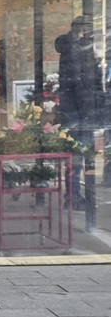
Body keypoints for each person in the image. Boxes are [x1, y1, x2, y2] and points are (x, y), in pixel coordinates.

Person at [56, 16, 102, 210]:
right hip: (78, 110)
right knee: (78, 155)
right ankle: (74, 197)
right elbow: (77, 82)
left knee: (76, 154)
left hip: (75, 109)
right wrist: (87, 110)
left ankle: (74, 195)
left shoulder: (75, 46)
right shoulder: (74, 47)